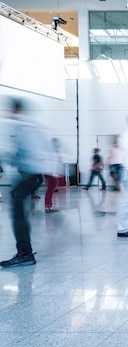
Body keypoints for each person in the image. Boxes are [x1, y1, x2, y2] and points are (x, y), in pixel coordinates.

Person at [0, 97, 54, 268]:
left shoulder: (22, 127)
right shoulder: (30, 126)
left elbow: (26, 153)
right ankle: (25, 250)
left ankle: (25, 253)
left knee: (17, 210)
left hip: (29, 174)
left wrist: (9, 158)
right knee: (18, 208)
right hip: (33, 174)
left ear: (14, 109)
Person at [44, 138, 64, 213]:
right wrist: (54, 173)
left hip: (50, 172)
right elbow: (54, 163)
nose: (60, 143)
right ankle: (48, 206)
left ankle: (48, 206)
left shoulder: (53, 150)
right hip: (51, 172)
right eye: (59, 142)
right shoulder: (54, 151)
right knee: (50, 189)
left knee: (51, 189)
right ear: (55, 143)